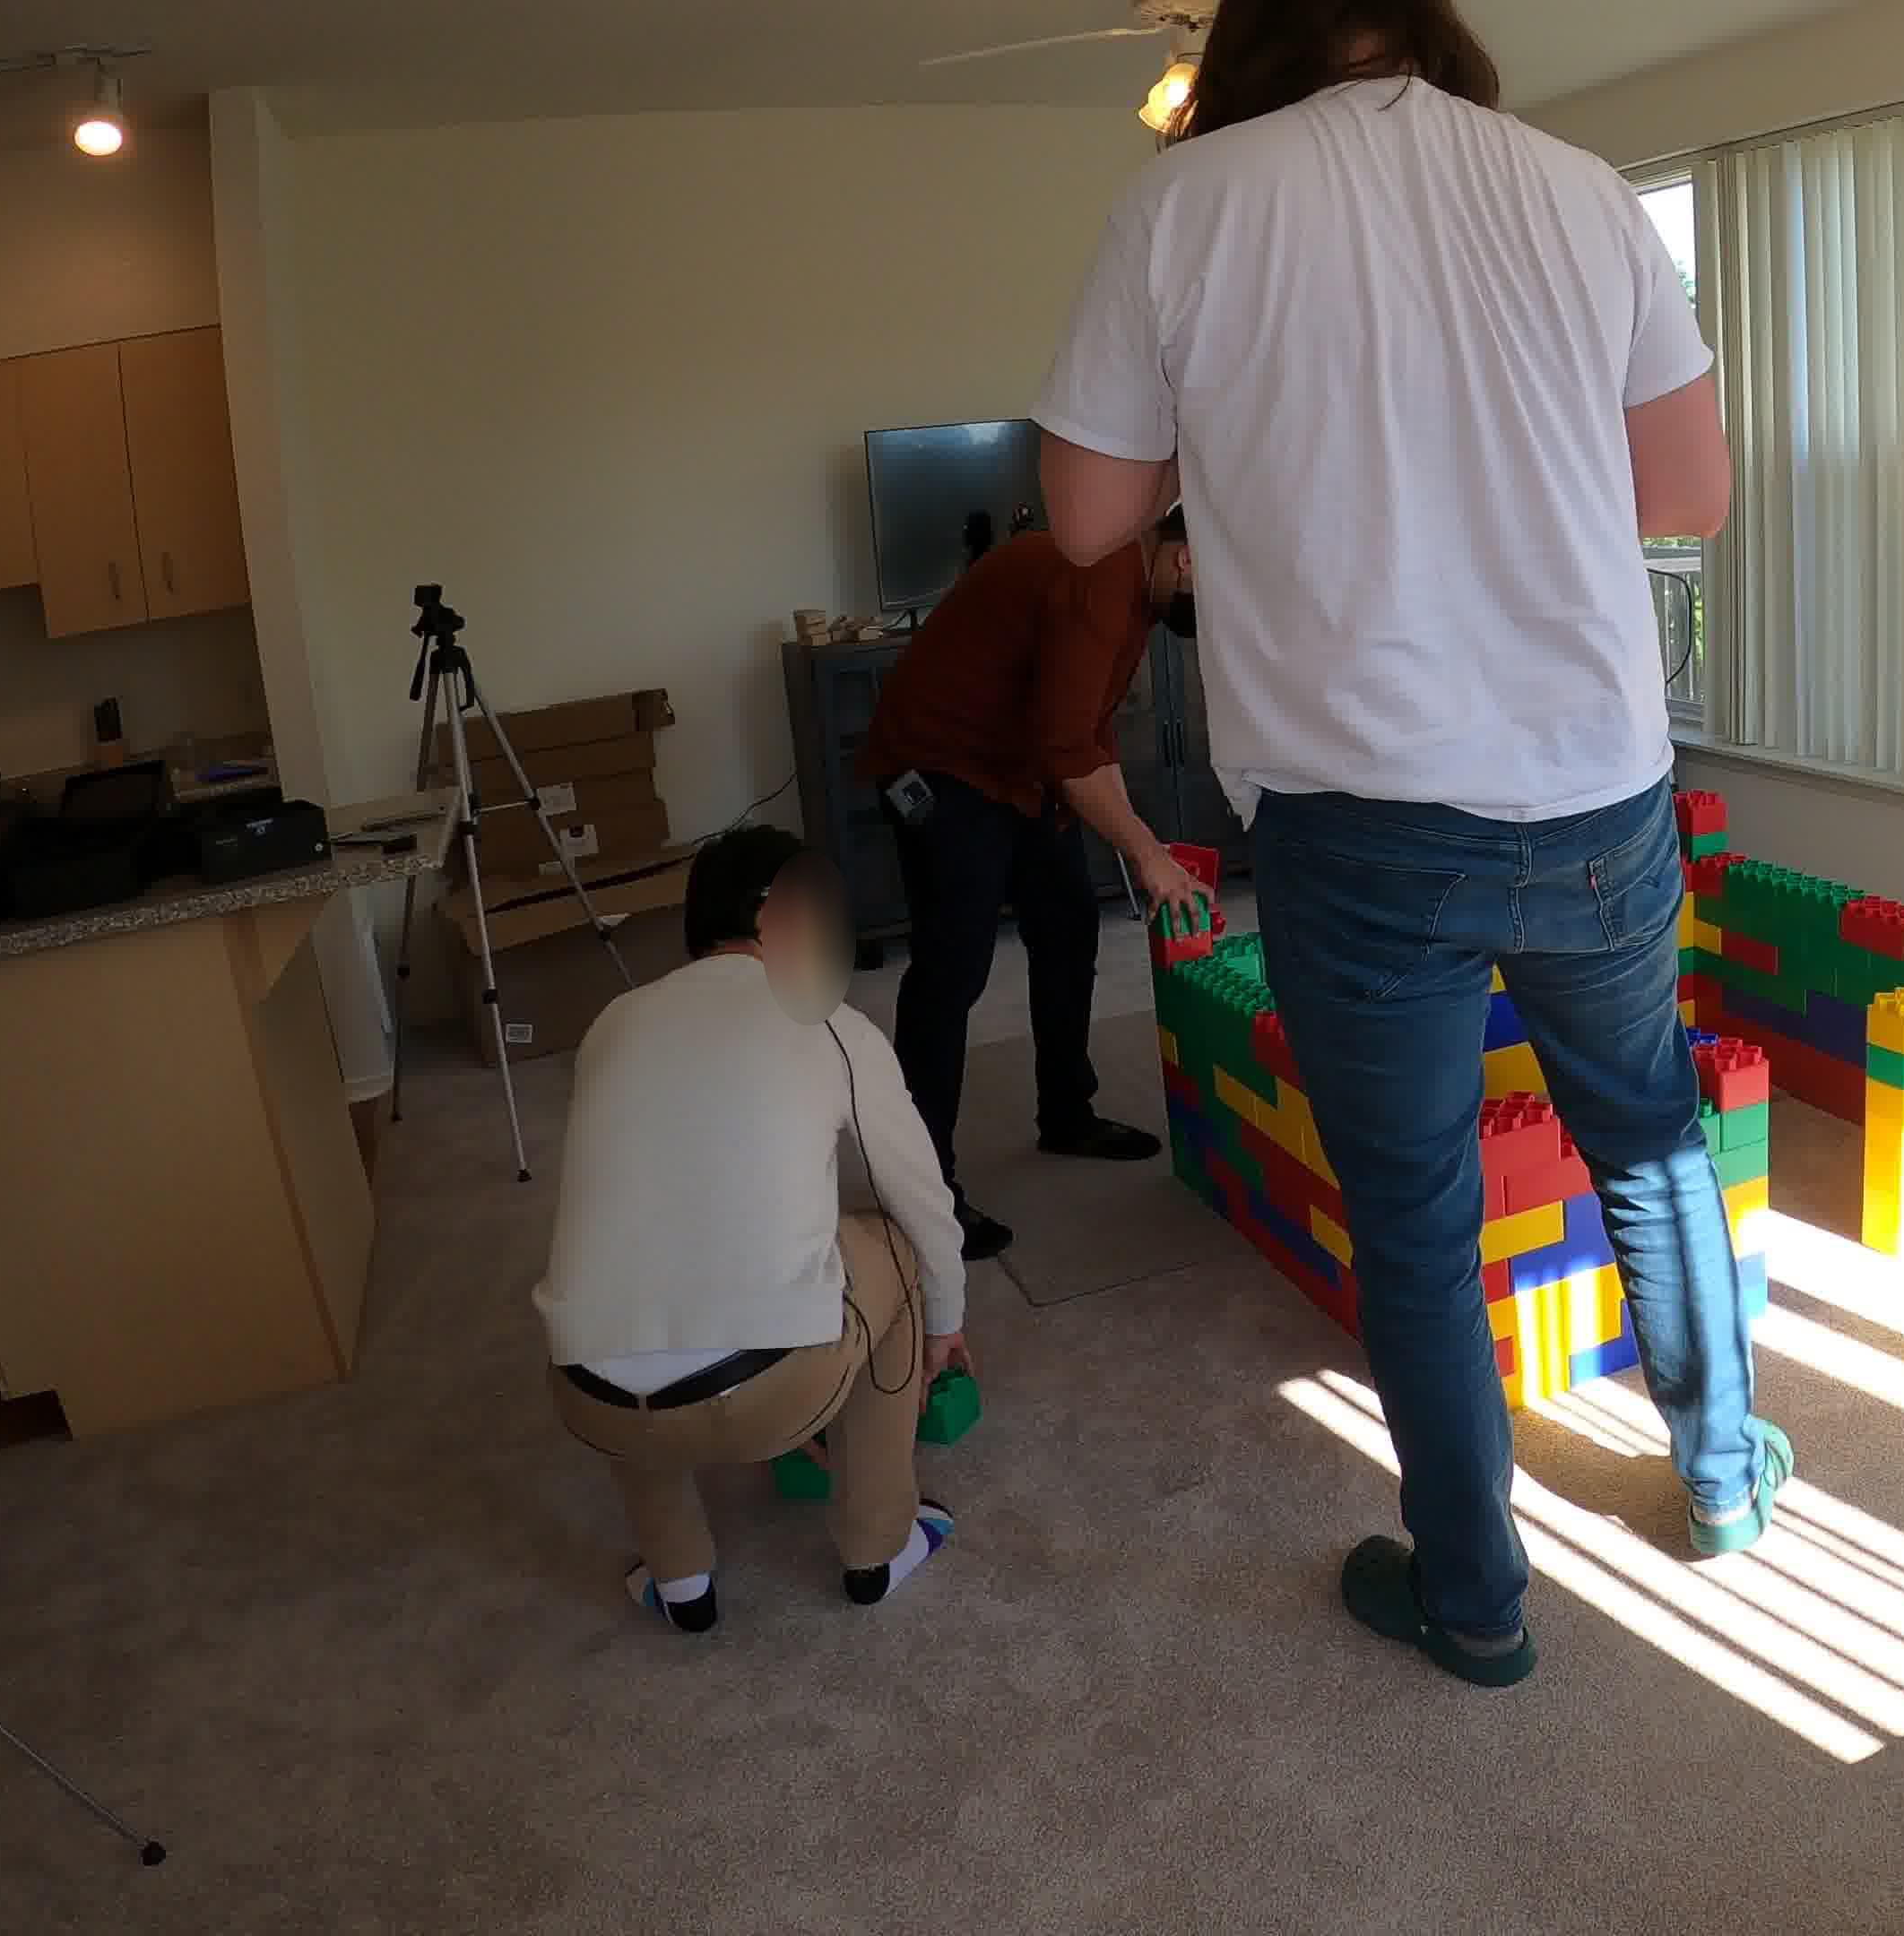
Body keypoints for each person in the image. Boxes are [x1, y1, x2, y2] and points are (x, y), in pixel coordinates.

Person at [1031, 0, 1769, 1690]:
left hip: (1361, 817)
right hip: (1595, 784)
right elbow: (1690, 493)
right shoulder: (1577, 188)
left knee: (1419, 1218)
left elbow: (1084, 519)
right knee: (1650, 1137)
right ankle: (1725, 1475)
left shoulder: (1185, 203)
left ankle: (1476, 1598)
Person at [534, 828, 973, 1633]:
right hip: (770, 1395)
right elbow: (920, 1195)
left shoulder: (613, 1022)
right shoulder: (832, 1023)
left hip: (589, 1398)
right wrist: (943, 1323)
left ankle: (679, 1580)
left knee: (626, 1277)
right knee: (895, 1244)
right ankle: (877, 1547)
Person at [861, 524, 1205, 1261]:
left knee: (1068, 924)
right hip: (938, 764)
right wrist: (1145, 853)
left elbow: (1088, 737)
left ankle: (1067, 1113)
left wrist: (1145, 845)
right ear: (1187, 557)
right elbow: (1067, 749)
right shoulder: (1100, 575)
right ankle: (924, 1194)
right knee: (951, 971)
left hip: (1016, 768)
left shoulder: (1138, 591)